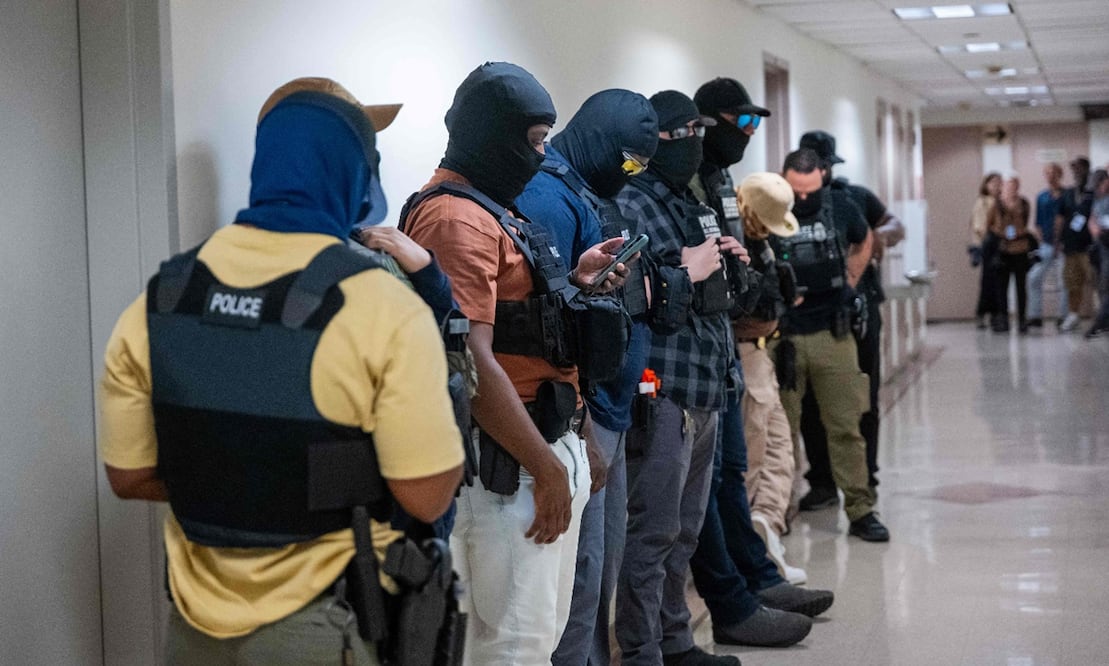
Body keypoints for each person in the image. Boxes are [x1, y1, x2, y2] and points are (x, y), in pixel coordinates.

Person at [98, 77, 465, 665]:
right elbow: (425, 497)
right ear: (357, 175)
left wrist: (236, 474)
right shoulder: (382, 307)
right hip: (324, 627)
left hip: (192, 632)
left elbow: (128, 475)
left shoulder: (162, 298)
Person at [401, 62, 628, 665]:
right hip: (509, 468)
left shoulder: (492, 209)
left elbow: (519, 326)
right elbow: (470, 360)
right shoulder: (456, 220)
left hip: (541, 444)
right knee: (513, 649)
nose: (542, 154)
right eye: (533, 140)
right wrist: (547, 468)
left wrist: (576, 281)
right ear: (492, 134)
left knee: (536, 638)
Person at [513, 87, 660, 666]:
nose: (629, 176)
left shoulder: (584, 192)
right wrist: (584, 431)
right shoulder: (547, 196)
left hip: (609, 407)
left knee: (598, 573)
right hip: (582, 415)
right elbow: (553, 327)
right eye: (627, 163)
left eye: (640, 170)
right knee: (578, 581)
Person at [685, 77, 831, 649]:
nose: (748, 133)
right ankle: (734, 601)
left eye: (754, 123)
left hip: (723, 347)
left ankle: (756, 581)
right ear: (706, 122)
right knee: (713, 482)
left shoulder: (718, 181)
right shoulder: (683, 181)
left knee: (730, 473)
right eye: (740, 122)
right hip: (698, 355)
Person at [612, 90, 742, 666]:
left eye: (699, 131)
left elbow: (714, 293)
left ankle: (676, 641)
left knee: (685, 530)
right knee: (654, 531)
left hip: (708, 382)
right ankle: (642, 651)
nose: (694, 144)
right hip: (662, 387)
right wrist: (686, 270)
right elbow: (633, 297)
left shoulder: (688, 200)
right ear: (654, 140)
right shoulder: (630, 202)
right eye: (682, 133)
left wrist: (731, 264)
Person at [769, 148, 888, 542]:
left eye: (810, 191)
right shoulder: (768, 204)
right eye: (796, 192)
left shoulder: (840, 204)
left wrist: (851, 281)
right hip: (782, 336)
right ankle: (777, 513)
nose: (803, 199)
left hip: (831, 333)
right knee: (781, 433)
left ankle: (861, 509)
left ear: (823, 177)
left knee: (846, 426)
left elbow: (865, 238)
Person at [796, 129, 904, 510]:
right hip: (811, 315)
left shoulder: (852, 197)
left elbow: (895, 225)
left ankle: (865, 477)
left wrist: (876, 238)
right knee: (812, 401)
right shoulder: (789, 203)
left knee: (863, 396)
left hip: (859, 310)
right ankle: (822, 481)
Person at [988, 174, 1035, 333]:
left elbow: (1025, 221)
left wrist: (1018, 232)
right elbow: (989, 224)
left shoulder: (1024, 204)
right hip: (1003, 250)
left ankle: (1022, 319)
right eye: (1008, 186)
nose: (1011, 189)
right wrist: (1000, 233)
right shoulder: (996, 205)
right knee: (1002, 287)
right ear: (1003, 187)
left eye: (1014, 185)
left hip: (1020, 249)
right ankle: (1004, 319)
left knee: (1021, 286)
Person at [1056, 157, 1095, 332]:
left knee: (1097, 281)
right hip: (1070, 246)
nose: (1076, 172)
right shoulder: (1068, 193)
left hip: (1090, 247)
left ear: (1087, 169)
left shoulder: (1095, 193)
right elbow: (1060, 219)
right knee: (1073, 283)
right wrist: (1057, 241)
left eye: (1079, 168)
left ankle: (1102, 316)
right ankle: (1073, 315)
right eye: (1074, 169)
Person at [1026, 163, 1067, 328]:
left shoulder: (1067, 195)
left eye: (1053, 173)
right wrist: (1042, 240)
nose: (1050, 176)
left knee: (1064, 281)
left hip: (1064, 245)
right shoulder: (1041, 197)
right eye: (1047, 173)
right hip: (1046, 245)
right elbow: (1038, 222)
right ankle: (1035, 315)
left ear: (1059, 174)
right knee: (1033, 278)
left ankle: (1062, 316)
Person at [971, 172, 1003, 329]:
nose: (996, 186)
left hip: (1000, 244)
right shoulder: (982, 202)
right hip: (987, 244)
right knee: (987, 281)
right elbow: (979, 226)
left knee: (999, 282)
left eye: (999, 182)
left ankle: (996, 314)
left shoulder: (1001, 202)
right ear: (986, 184)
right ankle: (982, 312)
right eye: (993, 182)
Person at [1086, 169, 1109, 338]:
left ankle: (1099, 323)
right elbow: (1093, 218)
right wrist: (1093, 227)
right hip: (1101, 246)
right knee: (1103, 285)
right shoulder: (1098, 199)